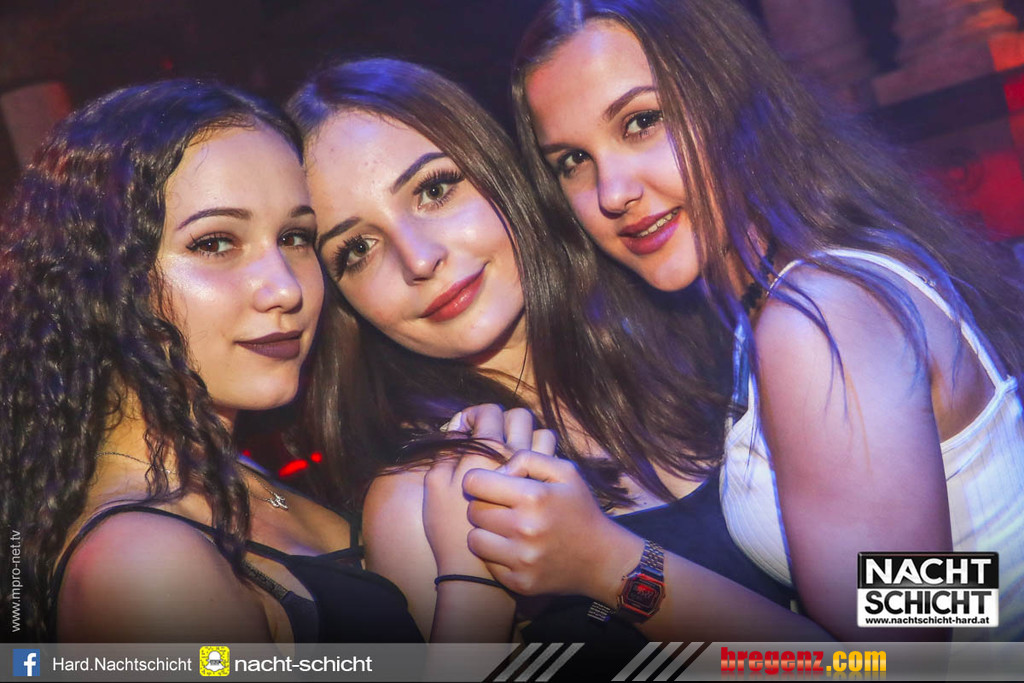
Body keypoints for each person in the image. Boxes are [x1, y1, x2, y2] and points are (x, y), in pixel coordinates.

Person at [503, 0, 1024, 641]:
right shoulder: (797, 289)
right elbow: (949, 598)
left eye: (641, 122)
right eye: (572, 161)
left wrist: (610, 566)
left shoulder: (819, 317)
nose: (612, 192)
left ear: (730, 100)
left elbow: (893, 662)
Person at [287, 58, 829, 644]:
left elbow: (891, 629)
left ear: (501, 172)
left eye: (434, 190)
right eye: (358, 249)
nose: (418, 259)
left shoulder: (719, 339)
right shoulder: (427, 502)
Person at [0, 79, 421, 643]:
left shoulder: (233, 477)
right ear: (102, 279)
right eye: (215, 243)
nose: (285, 288)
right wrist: (474, 595)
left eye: (295, 237)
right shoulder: (142, 564)